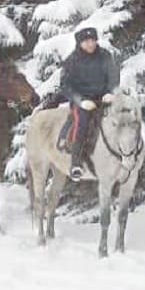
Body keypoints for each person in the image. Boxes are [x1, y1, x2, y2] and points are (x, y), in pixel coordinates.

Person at [60, 27, 120, 181]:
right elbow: (66, 86)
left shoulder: (105, 56)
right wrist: (80, 101)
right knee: (82, 122)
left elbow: (114, 76)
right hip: (83, 102)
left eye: (92, 40)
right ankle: (76, 163)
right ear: (80, 43)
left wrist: (110, 92)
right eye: (86, 41)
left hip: (104, 99)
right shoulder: (71, 61)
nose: (90, 44)